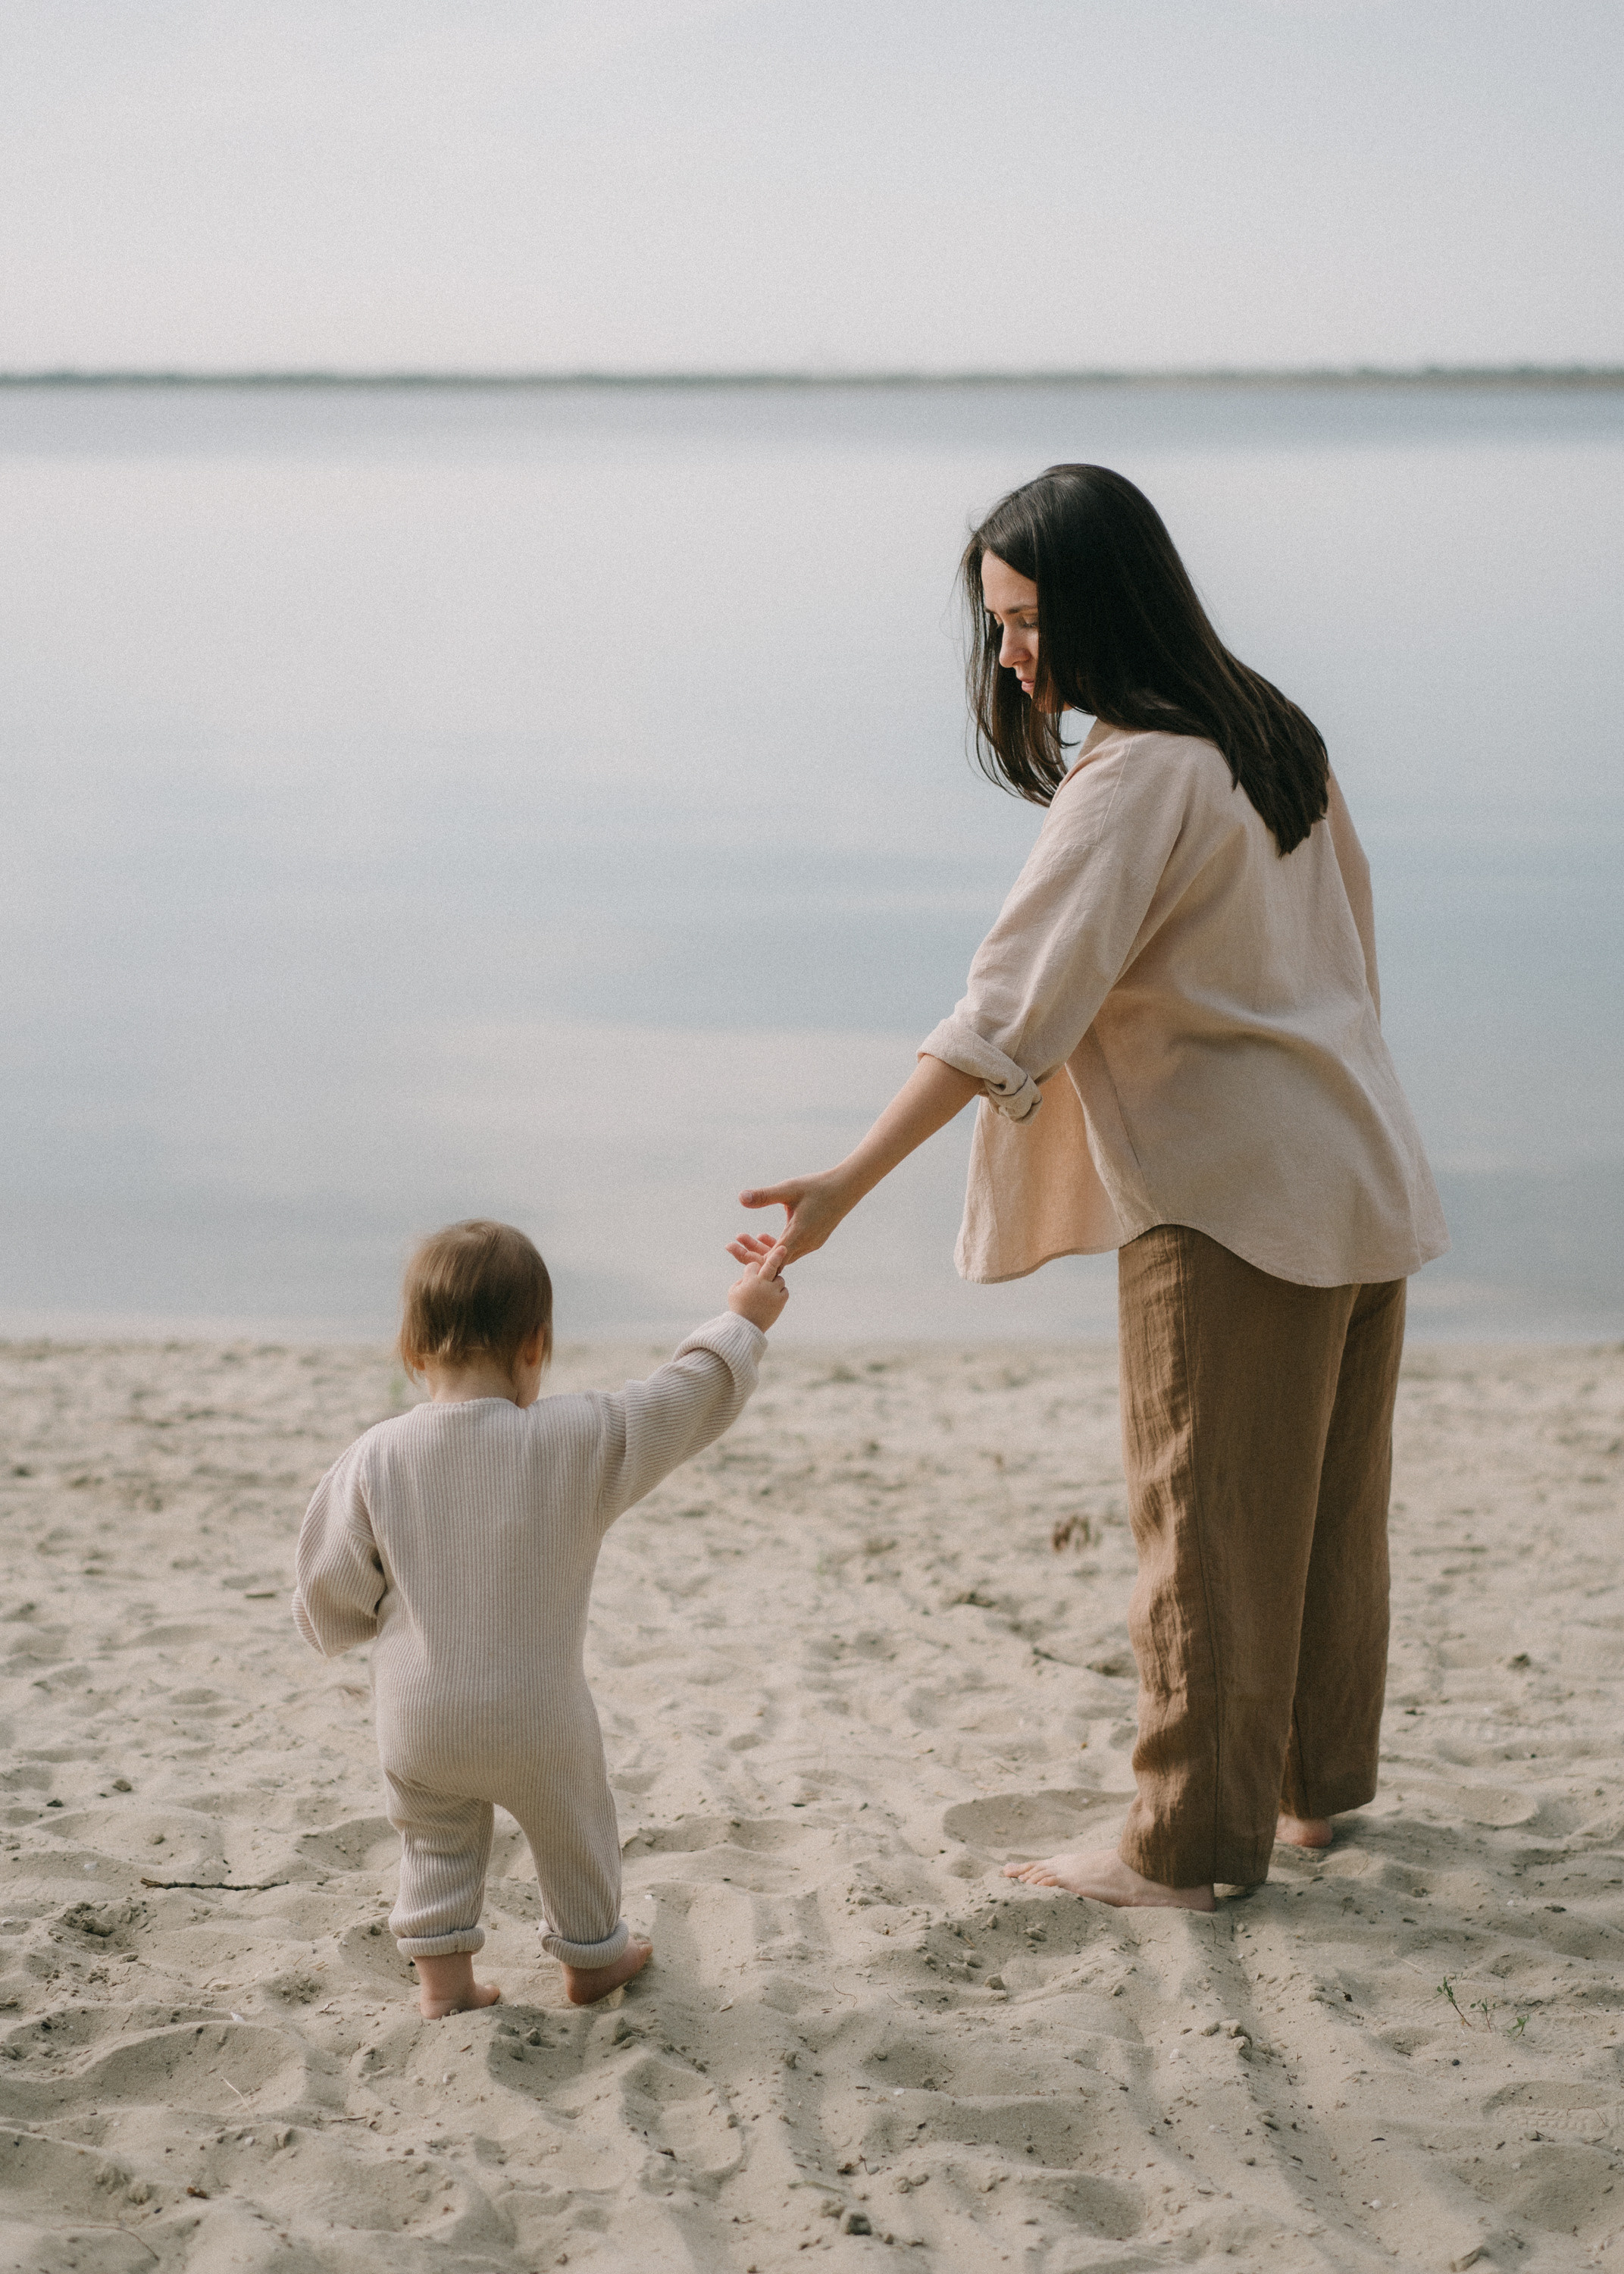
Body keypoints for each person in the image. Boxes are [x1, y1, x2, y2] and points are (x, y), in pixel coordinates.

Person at [731, 464, 1446, 1912]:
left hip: (1231, 1196)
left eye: (1024, 622)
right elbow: (1350, 953)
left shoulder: (1136, 774)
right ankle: (1307, 1794)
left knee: (1198, 1529)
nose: (1008, 656)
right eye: (994, 627)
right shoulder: (1270, 732)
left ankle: (1182, 1847)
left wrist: (843, 1187)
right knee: (1316, 1515)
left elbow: (1006, 1012)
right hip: (1357, 1165)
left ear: (1101, 606)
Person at [292, 1217, 787, 2015]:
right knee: (573, 1822)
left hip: (418, 1718)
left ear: (413, 1351)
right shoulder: (577, 1437)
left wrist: (347, 1627)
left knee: (435, 1839)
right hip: (538, 1715)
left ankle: (445, 1986)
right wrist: (744, 1319)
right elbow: (683, 1399)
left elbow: (329, 1584)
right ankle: (592, 1958)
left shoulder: (375, 1455)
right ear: (535, 1345)